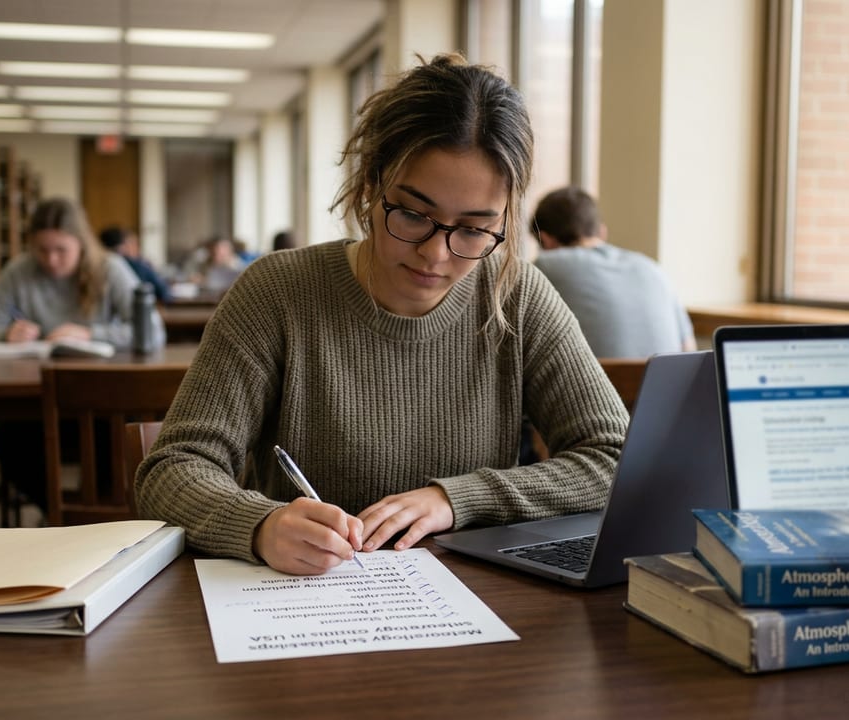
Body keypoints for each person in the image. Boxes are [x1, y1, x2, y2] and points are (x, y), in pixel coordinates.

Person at [135, 53, 628, 576]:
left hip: (478, 613)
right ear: (371, 184)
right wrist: (260, 526)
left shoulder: (516, 296)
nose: (436, 255)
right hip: (305, 607)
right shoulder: (277, 293)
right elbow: (171, 470)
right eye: (414, 215)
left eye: (474, 229)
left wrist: (459, 498)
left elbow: (615, 458)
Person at [0, 197, 166, 515]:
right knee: (7, 441)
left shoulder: (109, 268)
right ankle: (59, 515)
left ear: (81, 243)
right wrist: (6, 334)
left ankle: (97, 522)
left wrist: (90, 333)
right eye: (41, 249)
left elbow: (153, 331)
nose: (50, 260)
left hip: (103, 401)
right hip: (35, 403)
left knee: (111, 438)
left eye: (61, 250)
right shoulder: (19, 272)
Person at [531, 186, 696, 357]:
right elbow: (688, 347)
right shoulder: (652, 268)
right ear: (602, 232)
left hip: (594, 383)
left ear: (546, 240)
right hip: (665, 383)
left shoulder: (545, 266)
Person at [100, 225, 175, 304]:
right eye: (133, 243)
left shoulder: (97, 267)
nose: (137, 248)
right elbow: (164, 292)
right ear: (123, 246)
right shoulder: (138, 266)